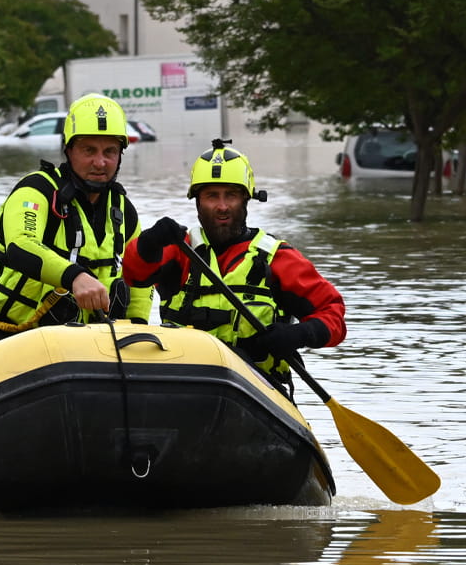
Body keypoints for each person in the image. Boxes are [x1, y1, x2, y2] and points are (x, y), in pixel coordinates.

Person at [123, 140, 344, 391]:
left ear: (246, 199)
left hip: (258, 389)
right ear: (197, 202)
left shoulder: (278, 258)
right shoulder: (178, 250)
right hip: (185, 384)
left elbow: (333, 313)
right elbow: (134, 274)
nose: (222, 206)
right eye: (211, 196)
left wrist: (300, 334)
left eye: (231, 195)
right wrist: (149, 242)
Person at [0, 94, 152, 345]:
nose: (100, 162)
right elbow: (21, 245)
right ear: (68, 150)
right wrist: (75, 276)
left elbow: (139, 275)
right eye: (89, 150)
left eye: (110, 151)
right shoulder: (35, 191)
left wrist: (137, 328)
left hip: (80, 344)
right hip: (4, 335)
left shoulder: (123, 211)